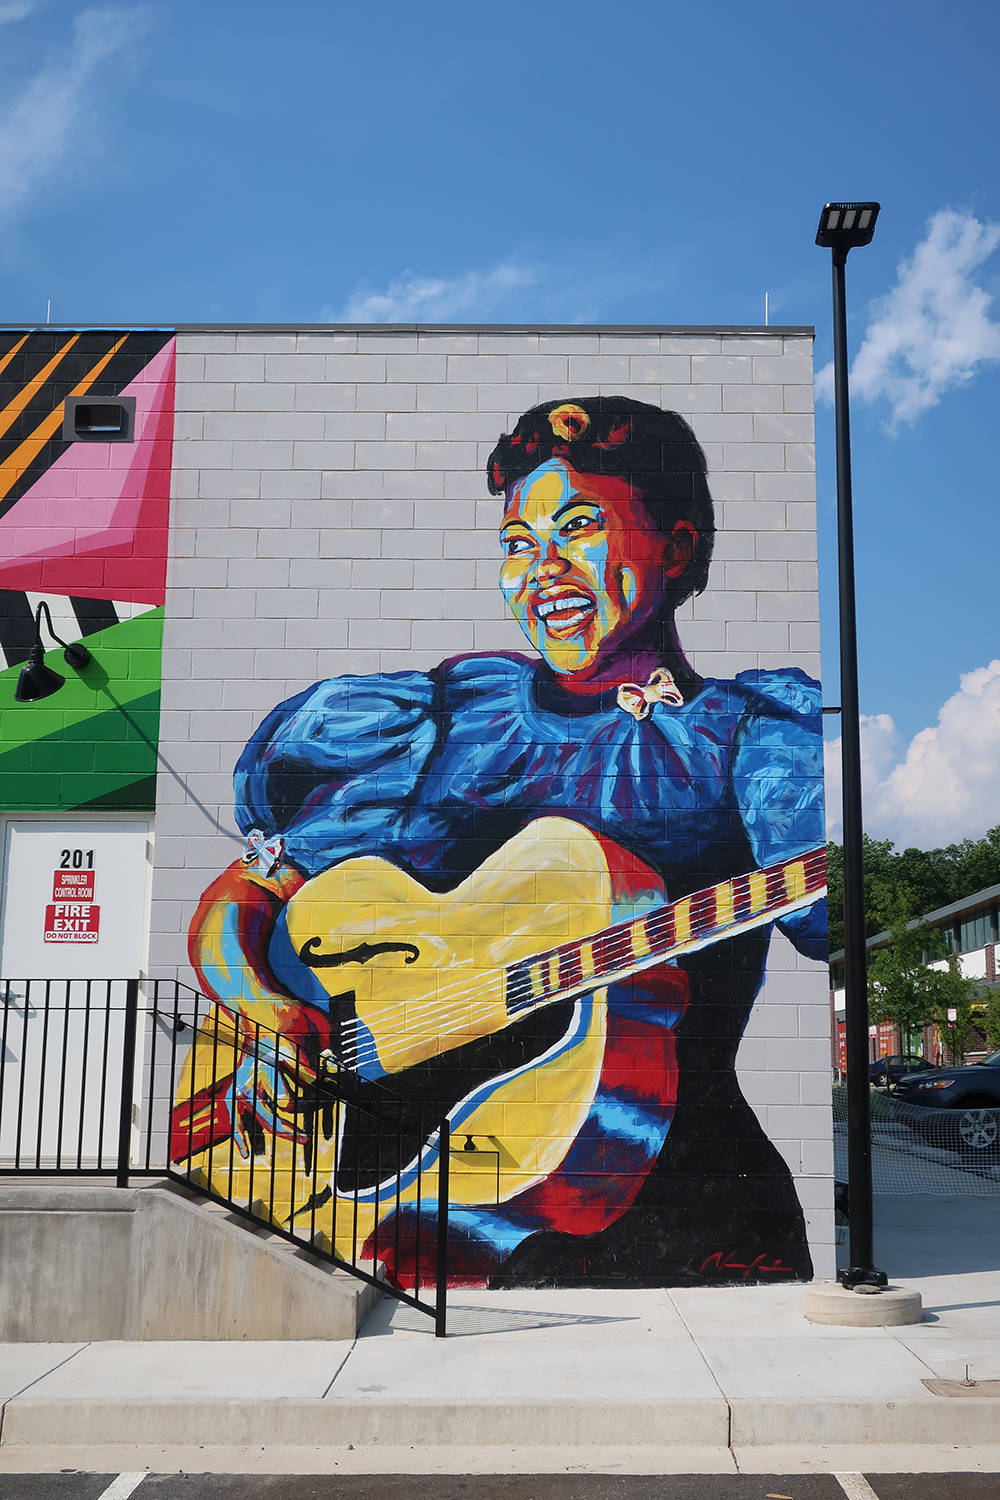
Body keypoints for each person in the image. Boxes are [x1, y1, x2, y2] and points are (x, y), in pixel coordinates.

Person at [186, 396, 827, 1286]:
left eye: (578, 529)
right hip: (443, 1207)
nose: (544, 571)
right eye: (519, 545)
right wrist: (273, 1016)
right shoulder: (461, 720)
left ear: (676, 548)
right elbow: (244, 898)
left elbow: (841, 926)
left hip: (696, 1214)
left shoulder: (747, 738)